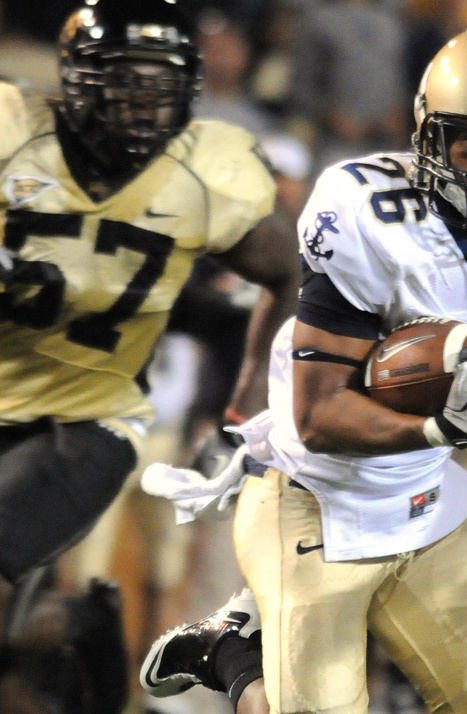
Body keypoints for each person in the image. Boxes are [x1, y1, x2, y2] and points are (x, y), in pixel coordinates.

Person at [142, 23, 467, 714]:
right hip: (310, 496)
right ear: (429, 136)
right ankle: (227, 651)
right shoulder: (370, 213)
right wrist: (438, 429)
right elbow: (316, 417)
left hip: (422, 504)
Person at [0, 0, 300, 710]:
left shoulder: (207, 169)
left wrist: (256, 389)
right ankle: (77, 627)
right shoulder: (14, 130)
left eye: (159, 85)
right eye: (125, 81)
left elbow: (287, 270)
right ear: (76, 77)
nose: (143, 102)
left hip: (87, 419)